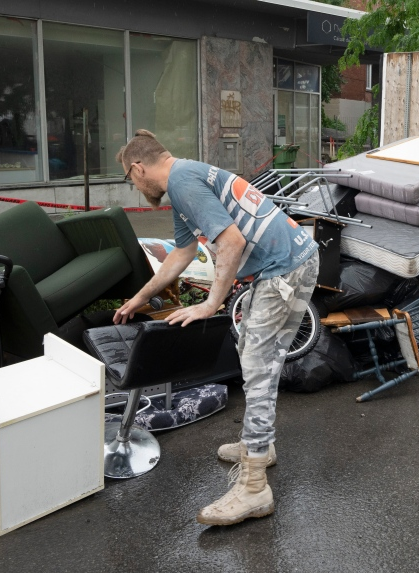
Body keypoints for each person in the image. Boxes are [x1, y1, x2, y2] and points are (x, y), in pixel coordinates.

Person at [113, 129, 319, 526]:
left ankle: (255, 486)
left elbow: (232, 241)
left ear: (138, 168)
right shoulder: (184, 181)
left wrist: (210, 303)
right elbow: (183, 253)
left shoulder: (182, 181)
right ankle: (261, 446)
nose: (134, 185)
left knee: (259, 367)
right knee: (254, 357)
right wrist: (140, 298)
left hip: (284, 269)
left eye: (129, 178)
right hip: (288, 263)